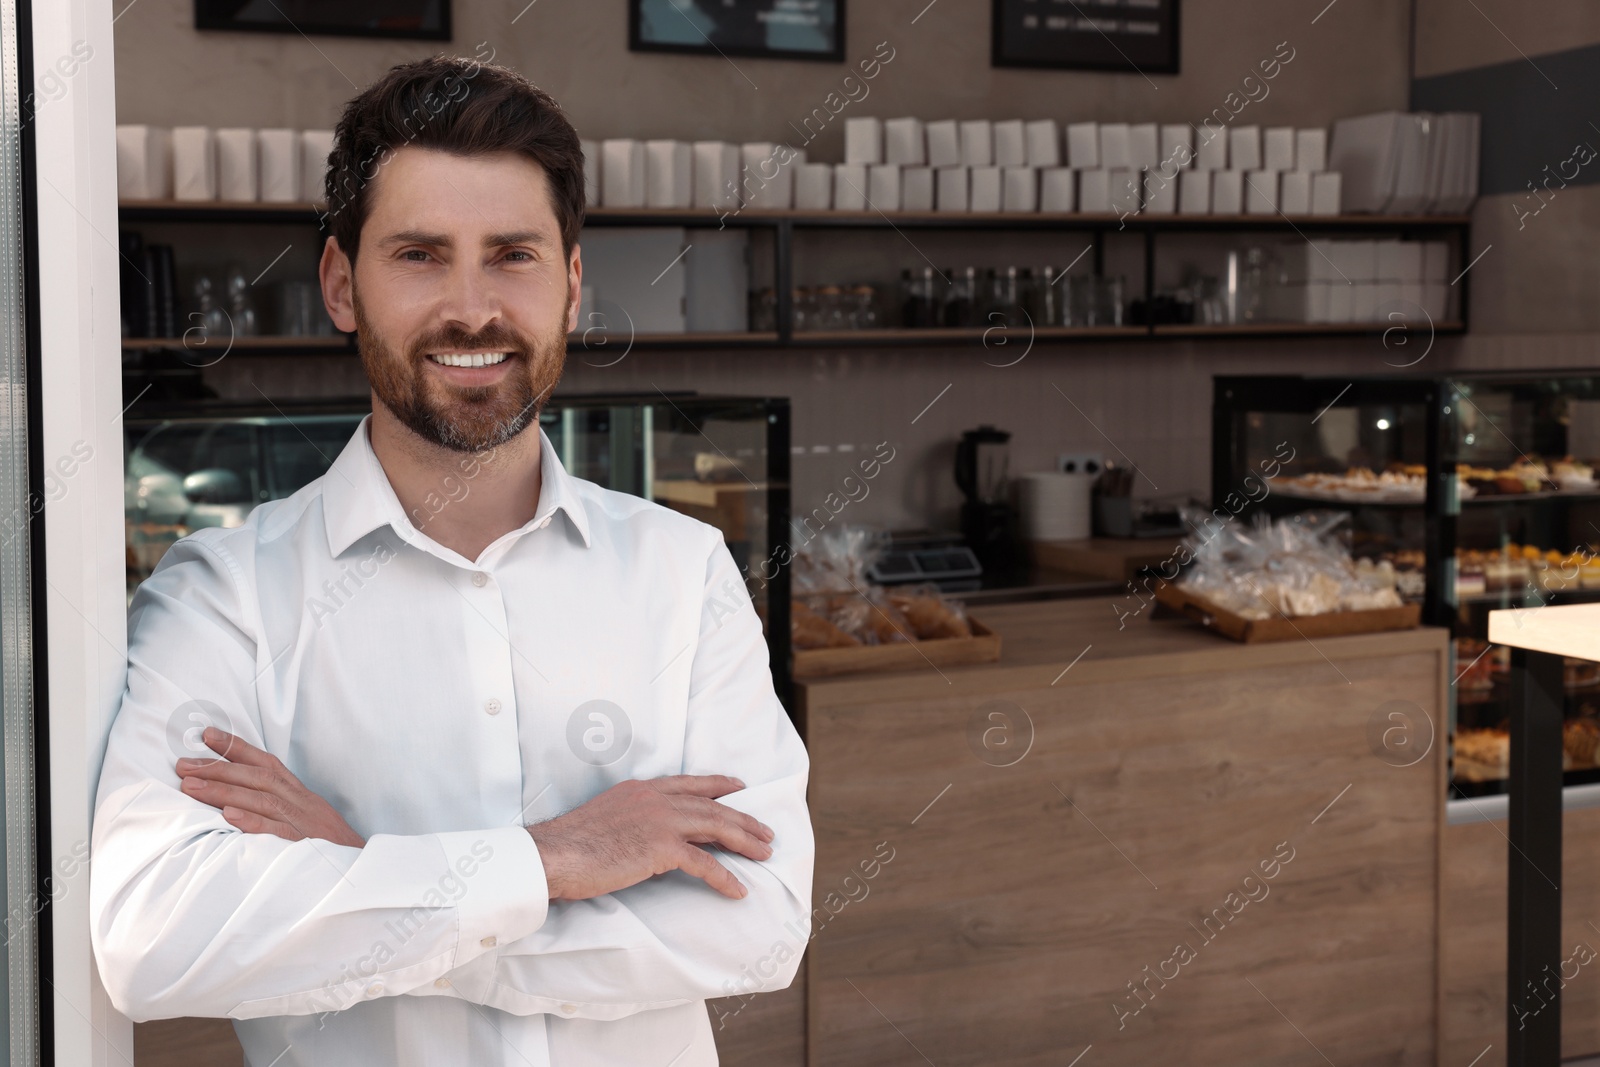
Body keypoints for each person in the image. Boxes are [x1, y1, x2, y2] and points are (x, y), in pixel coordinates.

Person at [89, 54, 812, 1067]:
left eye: (510, 253)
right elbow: (152, 934)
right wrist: (553, 861)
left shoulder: (682, 572)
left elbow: (759, 923)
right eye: (420, 254)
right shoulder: (223, 597)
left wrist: (362, 873)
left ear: (568, 286)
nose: (470, 308)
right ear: (342, 283)